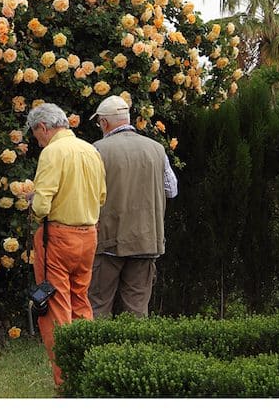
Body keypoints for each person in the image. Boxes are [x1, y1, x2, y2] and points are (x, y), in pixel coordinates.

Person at [26, 102, 106, 389]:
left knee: (55, 309)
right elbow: (101, 197)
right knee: (81, 302)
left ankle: (66, 382)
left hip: (58, 238)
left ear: (43, 128)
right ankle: (87, 372)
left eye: (36, 136)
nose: (38, 142)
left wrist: (32, 203)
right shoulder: (91, 150)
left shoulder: (52, 153)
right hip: (88, 236)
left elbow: (43, 204)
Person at [88, 95, 178, 318]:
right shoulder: (157, 148)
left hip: (108, 240)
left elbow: (87, 194)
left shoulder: (97, 150)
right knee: (137, 308)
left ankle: (96, 352)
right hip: (147, 239)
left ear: (104, 122)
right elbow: (171, 190)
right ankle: (136, 352)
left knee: (98, 304)